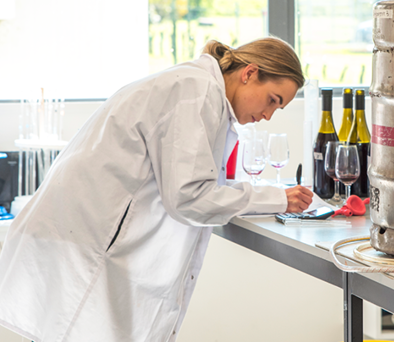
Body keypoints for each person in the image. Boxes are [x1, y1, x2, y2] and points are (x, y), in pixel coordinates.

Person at [0, 37, 313, 342]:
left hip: (79, 237)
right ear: (249, 73)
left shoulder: (199, 88)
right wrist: (275, 198)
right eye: (273, 99)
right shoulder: (197, 92)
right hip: (81, 242)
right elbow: (190, 198)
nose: (269, 115)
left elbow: (191, 183)